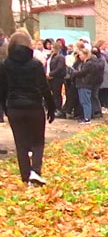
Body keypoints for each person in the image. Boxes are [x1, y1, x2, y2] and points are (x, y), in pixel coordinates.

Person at [0, 30, 55, 186]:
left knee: (21, 143)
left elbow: (2, 88)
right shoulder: (35, 65)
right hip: (34, 106)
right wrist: (51, 105)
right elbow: (44, 87)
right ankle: (35, 172)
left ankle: (25, 176)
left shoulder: (5, 65)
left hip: (14, 107)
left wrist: (5, 107)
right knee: (38, 141)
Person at [70, 45, 102, 125]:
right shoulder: (84, 63)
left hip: (85, 84)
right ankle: (85, 116)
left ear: (85, 55)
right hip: (82, 83)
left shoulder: (89, 63)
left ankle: (87, 118)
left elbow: (83, 72)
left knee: (86, 101)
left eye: (80, 55)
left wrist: (74, 73)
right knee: (83, 101)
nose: (79, 56)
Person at [47, 40, 67, 118]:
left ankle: (58, 109)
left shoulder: (60, 57)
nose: (51, 49)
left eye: (53, 48)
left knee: (57, 94)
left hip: (57, 78)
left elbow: (60, 68)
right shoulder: (51, 56)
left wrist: (51, 74)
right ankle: (53, 108)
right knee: (52, 94)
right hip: (50, 78)